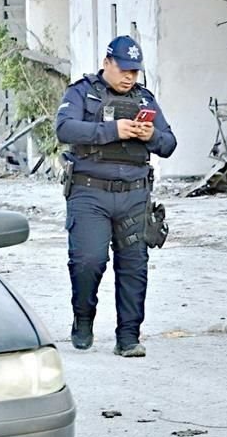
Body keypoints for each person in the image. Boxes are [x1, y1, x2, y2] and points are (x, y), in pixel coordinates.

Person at [56, 35, 177, 357]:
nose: (129, 77)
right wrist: (113, 131)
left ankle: (128, 337)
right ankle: (83, 319)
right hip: (89, 191)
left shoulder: (145, 99)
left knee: (134, 266)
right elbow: (65, 130)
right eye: (124, 69)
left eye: (135, 72)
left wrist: (151, 135)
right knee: (88, 261)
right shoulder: (81, 92)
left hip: (135, 194)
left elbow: (169, 144)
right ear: (107, 63)